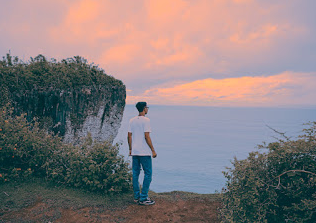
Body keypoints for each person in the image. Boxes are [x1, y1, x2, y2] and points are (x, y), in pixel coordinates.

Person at [128, 102, 157, 205]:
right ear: (144, 108)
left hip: (135, 151)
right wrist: (153, 150)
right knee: (148, 174)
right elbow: (147, 136)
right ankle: (143, 197)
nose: (147, 109)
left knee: (135, 174)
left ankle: (137, 197)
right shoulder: (146, 120)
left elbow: (129, 136)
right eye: (147, 107)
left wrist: (130, 149)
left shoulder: (132, 120)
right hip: (144, 152)